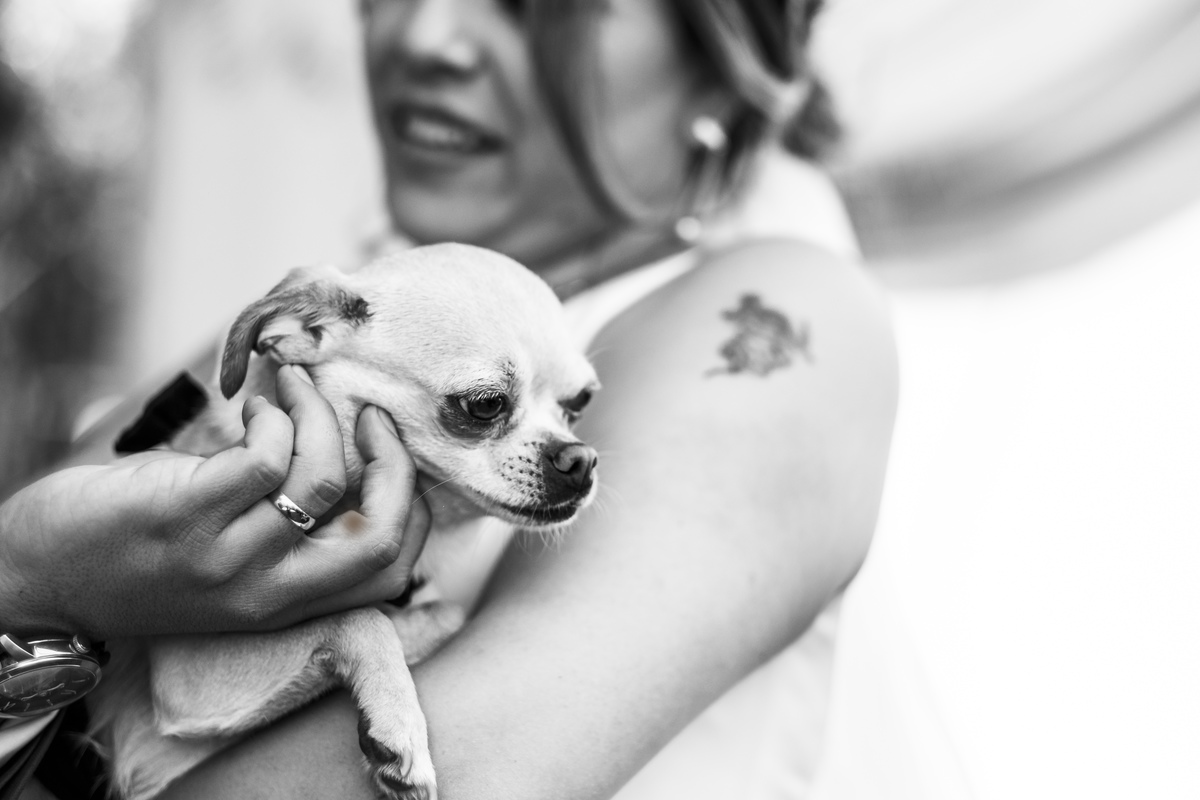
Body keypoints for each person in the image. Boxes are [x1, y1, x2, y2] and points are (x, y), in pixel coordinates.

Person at [2, 1, 897, 798]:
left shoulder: (775, 320)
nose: (427, 35)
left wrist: (43, 589)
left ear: (720, 51)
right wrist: (31, 578)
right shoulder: (368, 304)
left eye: (524, 6)